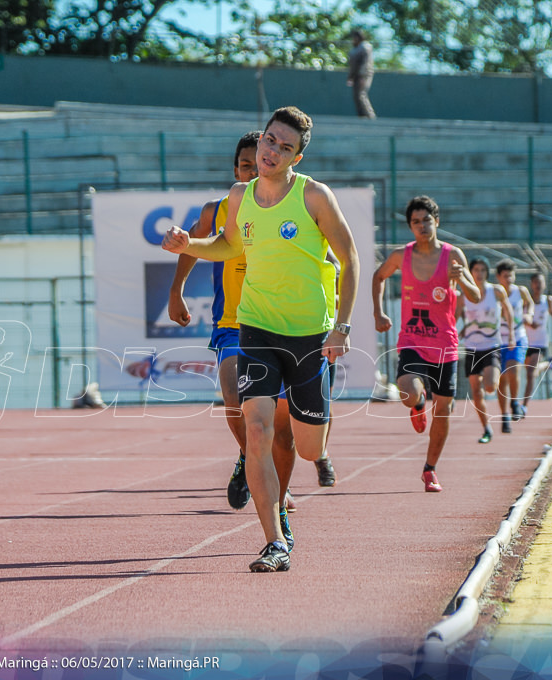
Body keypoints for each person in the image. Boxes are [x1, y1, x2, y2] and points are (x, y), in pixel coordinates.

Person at [162, 106, 360, 573]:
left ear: (298, 155)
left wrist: (343, 326)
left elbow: (349, 259)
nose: (270, 151)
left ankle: (318, 449)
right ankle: (274, 542)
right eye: (268, 140)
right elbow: (228, 245)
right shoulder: (240, 195)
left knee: (309, 447)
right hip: (255, 328)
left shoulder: (315, 197)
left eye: (283, 147)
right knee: (256, 431)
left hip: (310, 334)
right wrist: (187, 244)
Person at [373, 196, 480, 492]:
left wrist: (463, 279)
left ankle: (430, 470)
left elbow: (475, 296)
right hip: (411, 340)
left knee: (443, 411)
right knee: (408, 392)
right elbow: (378, 277)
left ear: (437, 222)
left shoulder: (453, 255)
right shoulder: (400, 255)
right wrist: (378, 311)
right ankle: (417, 404)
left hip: (444, 343)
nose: (422, 226)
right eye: (416, 222)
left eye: (427, 220)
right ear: (410, 226)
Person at [459, 257, 514, 444]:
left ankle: (503, 412)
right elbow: (454, 315)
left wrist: (511, 334)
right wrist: (459, 331)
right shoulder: (463, 295)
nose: (479, 273)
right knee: (476, 392)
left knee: (490, 386)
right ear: (470, 272)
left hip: (491, 345)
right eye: (476, 270)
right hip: (472, 347)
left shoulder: (496, 291)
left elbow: (508, 310)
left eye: (483, 270)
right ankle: (486, 428)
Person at [495, 259, 534, 431]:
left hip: (518, 336)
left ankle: (515, 402)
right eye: (505, 276)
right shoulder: (494, 293)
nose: (509, 279)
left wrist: (529, 315)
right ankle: (504, 416)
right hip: (497, 339)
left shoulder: (521, 291)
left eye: (511, 275)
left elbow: (530, 303)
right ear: (498, 277)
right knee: (501, 378)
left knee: (514, 369)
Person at [522, 272, 552, 410]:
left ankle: (524, 405)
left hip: (540, 342)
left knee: (531, 374)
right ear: (531, 284)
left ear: (544, 284)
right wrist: (529, 323)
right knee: (529, 371)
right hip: (525, 342)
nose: (538, 285)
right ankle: (548, 363)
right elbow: (522, 317)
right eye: (535, 282)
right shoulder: (526, 300)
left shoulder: (548, 300)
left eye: (540, 282)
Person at [347, 29, 376, 119]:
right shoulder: (355, 49)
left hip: (363, 74)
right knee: (356, 96)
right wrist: (351, 76)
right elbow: (353, 65)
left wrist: (362, 76)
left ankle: (369, 115)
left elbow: (364, 63)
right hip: (356, 75)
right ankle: (362, 116)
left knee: (361, 94)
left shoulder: (364, 47)